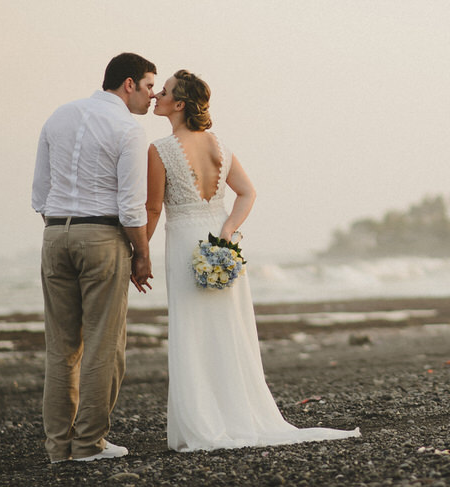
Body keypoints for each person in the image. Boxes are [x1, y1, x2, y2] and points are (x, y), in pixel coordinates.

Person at [146, 69, 360, 451]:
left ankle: (205, 421)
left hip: (183, 243)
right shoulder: (220, 146)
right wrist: (227, 231)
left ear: (179, 104)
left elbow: (152, 207)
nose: (156, 97)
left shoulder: (159, 150)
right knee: (229, 330)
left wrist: (138, 253)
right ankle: (236, 413)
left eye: (163, 92)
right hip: (219, 244)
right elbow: (247, 193)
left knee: (192, 329)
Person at [32, 52, 157, 463]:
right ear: (128, 84)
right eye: (148, 86)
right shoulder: (128, 129)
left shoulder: (59, 115)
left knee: (61, 348)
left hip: (55, 234)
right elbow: (132, 206)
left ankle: (57, 448)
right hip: (102, 235)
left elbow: (40, 191)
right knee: (104, 344)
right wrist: (142, 254)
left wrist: (61, 228)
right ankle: (88, 444)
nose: (151, 97)